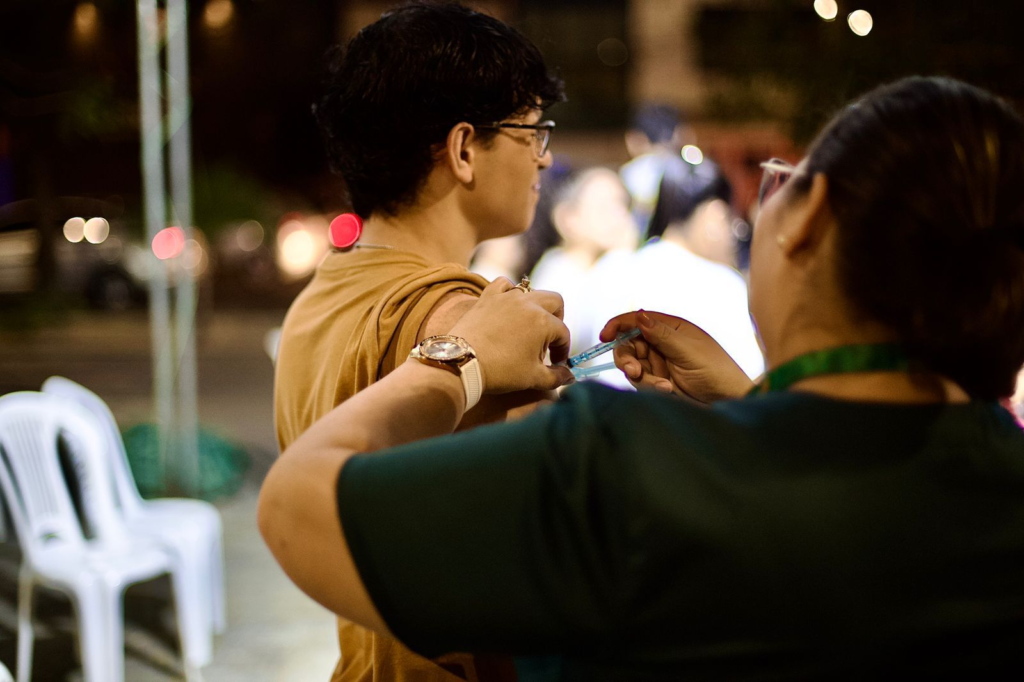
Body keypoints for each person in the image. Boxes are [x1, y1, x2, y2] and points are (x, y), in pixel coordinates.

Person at [262, 76, 1024, 679]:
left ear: (811, 217)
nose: (544, 160)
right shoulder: (998, 465)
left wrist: (457, 362)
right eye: (533, 134)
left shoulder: (626, 469)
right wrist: (748, 403)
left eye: (778, 183)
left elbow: (299, 511)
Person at [273, 3, 564, 681]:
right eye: (531, 132)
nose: (545, 157)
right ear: (463, 149)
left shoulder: (319, 297)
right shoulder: (469, 323)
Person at [586, 157, 764, 381]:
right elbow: (749, 373)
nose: (732, 233)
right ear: (714, 213)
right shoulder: (723, 283)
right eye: (729, 218)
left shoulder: (613, 267)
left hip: (608, 400)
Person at [529, 168, 637, 353]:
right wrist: (620, 257)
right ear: (568, 218)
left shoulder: (601, 267)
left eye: (623, 205)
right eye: (605, 207)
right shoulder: (559, 274)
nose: (620, 216)